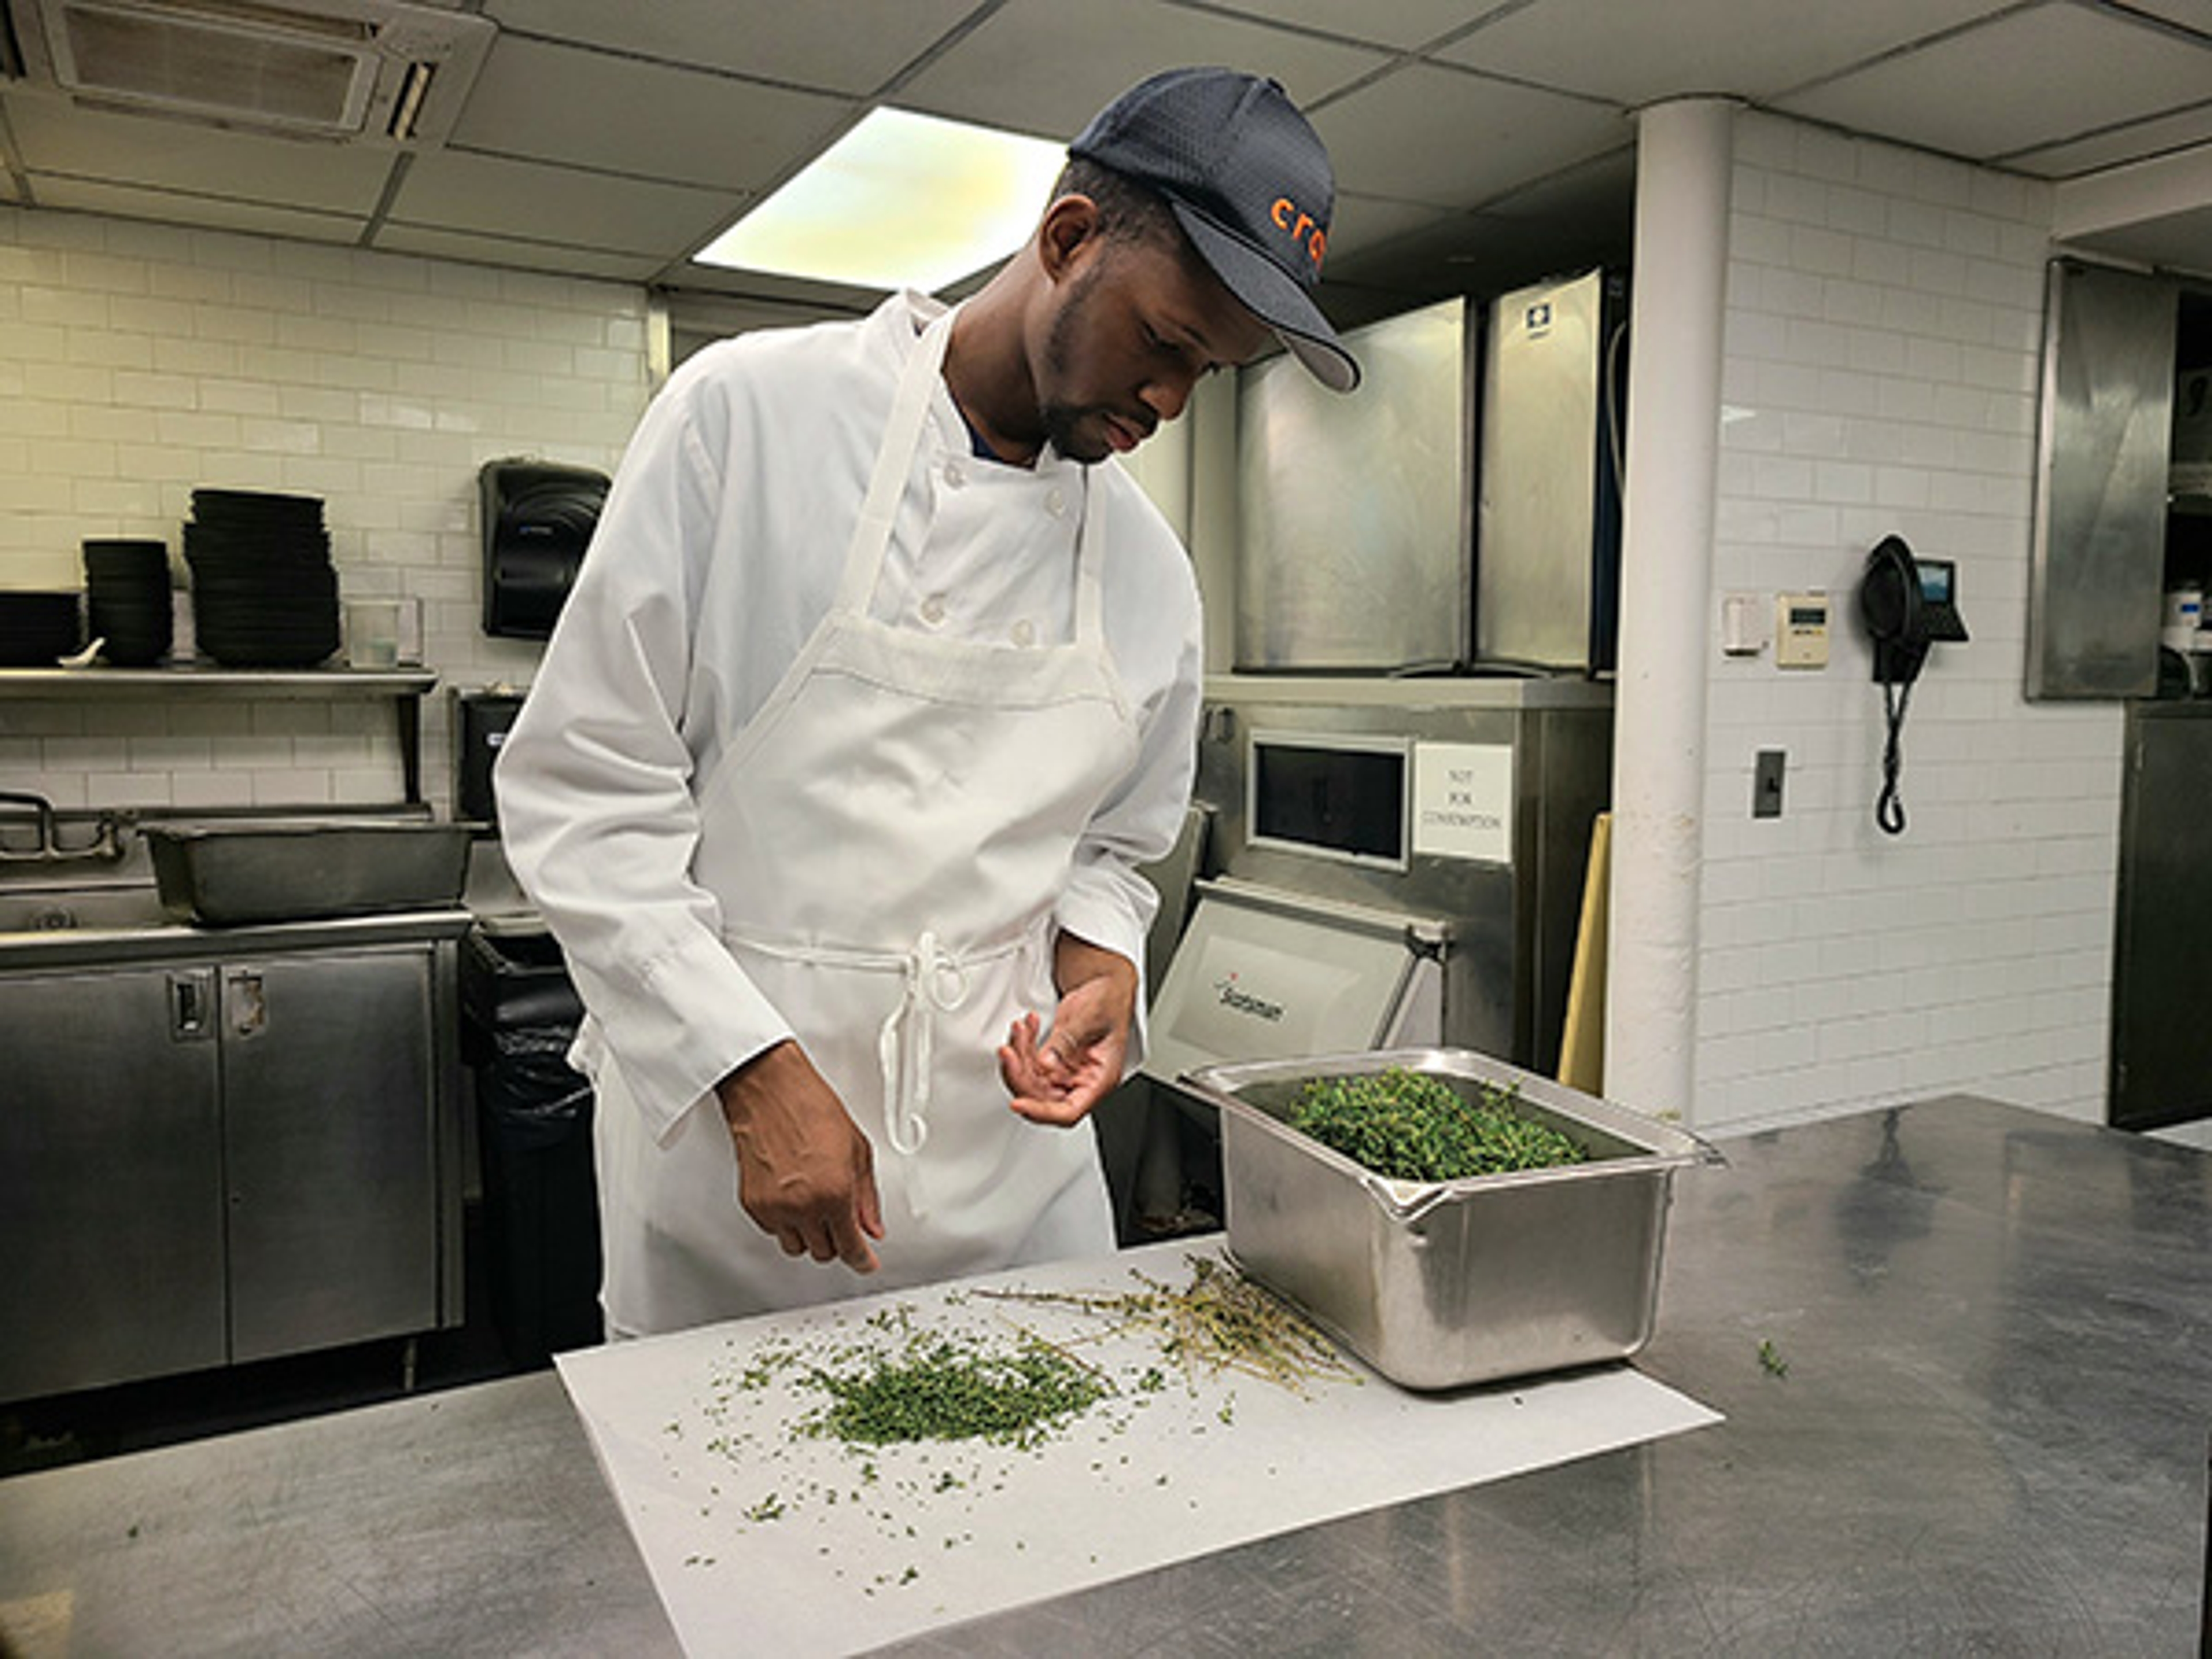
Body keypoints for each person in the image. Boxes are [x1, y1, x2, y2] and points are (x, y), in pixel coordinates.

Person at [494, 66, 1360, 1338]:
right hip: (736, 1174)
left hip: (1012, 1186)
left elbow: (1114, 852)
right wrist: (748, 1071)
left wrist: (1103, 972)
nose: (1170, 402)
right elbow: (584, 792)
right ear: (1068, 239)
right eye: (1168, 341)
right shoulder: (747, 422)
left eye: (1211, 374)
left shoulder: (1150, 574)